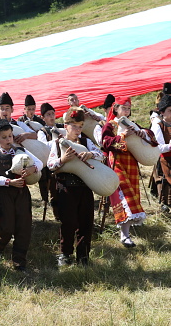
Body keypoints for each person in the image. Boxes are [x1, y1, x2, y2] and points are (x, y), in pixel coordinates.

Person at [48, 107, 102, 266]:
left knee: (86, 222)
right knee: (68, 222)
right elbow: (50, 164)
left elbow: (102, 155)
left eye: (80, 126)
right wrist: (62, 159)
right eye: (74, 126)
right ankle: (65, 254)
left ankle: (83, 255)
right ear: (66, 126)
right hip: (66, 188)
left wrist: (91, 154)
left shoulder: (87, 141)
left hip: (85, 187)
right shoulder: (57, 144)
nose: (78, 129)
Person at [0, 118, 42, 271]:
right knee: (6, 226)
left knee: (23, 226)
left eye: (10, 136)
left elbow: (39, 162)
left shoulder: (21, 150)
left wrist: (33, 169)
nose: (8, 139)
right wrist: (8, 182)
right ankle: (0, 244)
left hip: (21, 193)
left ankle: (19, 260)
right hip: (3, 194)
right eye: (4, 137)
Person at [102, 96, 153, 247]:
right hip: (117, 162)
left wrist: (143, 133)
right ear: (116, 109)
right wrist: (123, 136)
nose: (126, 111)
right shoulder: (110, 125)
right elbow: (106, 143)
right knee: (124, 196)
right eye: (123, 107)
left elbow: (150, 134)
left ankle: (126, 234)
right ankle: (124, 236)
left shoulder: (132, 124)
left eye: (128, 108)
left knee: (132, 194)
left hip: (131, 163)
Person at [37, 102, 64, 220]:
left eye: (53, 113)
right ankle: (57, 214)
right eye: (48, 114)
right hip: (51, 164)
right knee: (53, 190)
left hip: (64, 162)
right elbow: (43, 146)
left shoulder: (62, 128)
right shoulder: (42, 131)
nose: (52, 116)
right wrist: (57, 141)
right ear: (43, 117)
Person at [150, 94, 171, 210]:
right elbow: (158, 146)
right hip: (165, 159)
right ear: (162, 112)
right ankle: (165, 206)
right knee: (166, 182)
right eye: (170, 111)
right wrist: (170, 147)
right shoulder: (159, 125)